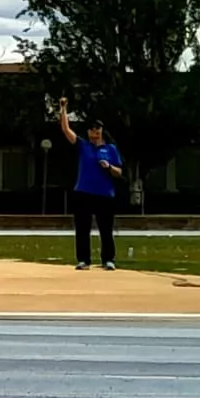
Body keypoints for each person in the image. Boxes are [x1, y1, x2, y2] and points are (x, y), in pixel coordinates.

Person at [60, 97, 123, 270]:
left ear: (102, 131)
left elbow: (119, 172)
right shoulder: (83, 146)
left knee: (105, 229)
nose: (94, 132)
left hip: (104, 194)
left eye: (97, 129)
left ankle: (108, 260)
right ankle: (83, 260)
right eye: (91, 129)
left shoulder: (110, 149)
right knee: (82, 228)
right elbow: (66, 130)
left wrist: (109, 166)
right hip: (83, 192)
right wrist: (63, 109)